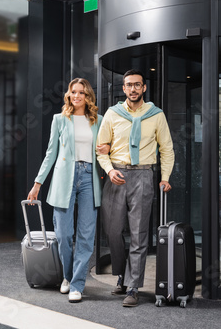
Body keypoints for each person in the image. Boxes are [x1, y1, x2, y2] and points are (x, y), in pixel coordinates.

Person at [96, 69, 175, 307]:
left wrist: (165, 176)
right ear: (123, 89)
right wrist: (110, 170)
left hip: (143, 174)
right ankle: (121, 273)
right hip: (116, 175)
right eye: (129, 85)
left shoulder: (156, 115)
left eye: (137, 85)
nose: (133, 89)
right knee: (113, 231)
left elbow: (167, 148)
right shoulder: (112, 114)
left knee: (139, 233)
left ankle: (132, 286)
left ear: (144, 88)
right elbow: (101, 148)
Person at [27, 78, 107, 303]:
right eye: (74, 92)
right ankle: (68, 276)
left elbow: (105, 149)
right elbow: (50, 153)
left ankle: (77, 284)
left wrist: (107, 148)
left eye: (82, 92)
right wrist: (37, 183)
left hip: (90, 178)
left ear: (88, 96)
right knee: (63, 235)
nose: (77, 96)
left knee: (86, 235)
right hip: (65, 178)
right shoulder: (59, 120)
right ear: (69, 95)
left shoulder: (98, 120)